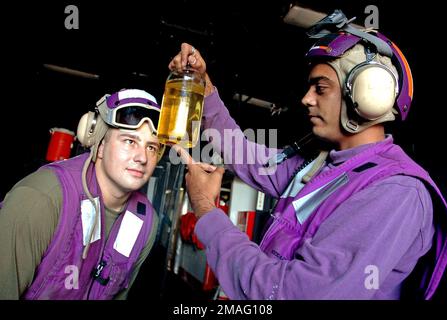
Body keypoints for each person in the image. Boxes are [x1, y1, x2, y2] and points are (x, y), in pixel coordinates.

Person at [168, 10, 447, 299]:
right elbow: (244, 154)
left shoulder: (395, 193)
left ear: (368, 95)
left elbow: (289, 294)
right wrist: (204, 86)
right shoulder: (318, 165)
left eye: (321, 88)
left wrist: (205, 209)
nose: (306, 98)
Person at [0, 88, 164, 299]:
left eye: (151, 147)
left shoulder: (146, 223)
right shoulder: (41, 199)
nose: (142, 157)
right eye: (129, 141)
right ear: (100, 144)